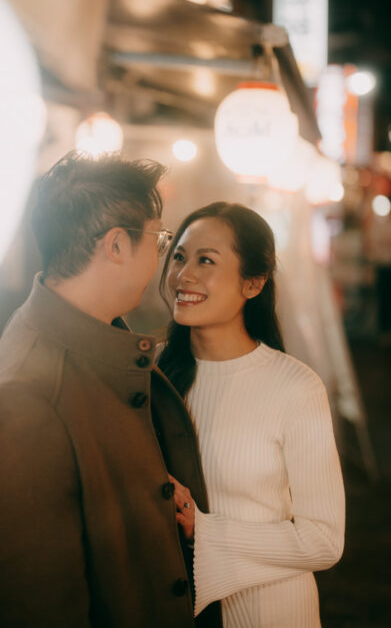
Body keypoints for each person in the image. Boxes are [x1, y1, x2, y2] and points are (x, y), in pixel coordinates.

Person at [0, 152, 222, 628]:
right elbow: (33, 605)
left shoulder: (82, 335)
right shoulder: (24, 400)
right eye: (160, 239)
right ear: (117, 245)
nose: (161, 257)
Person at [158, 201, 345, 628]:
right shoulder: (154, 376)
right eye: (180, 257)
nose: (184, 276)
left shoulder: (294, 387)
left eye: (206, 260)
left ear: (253, 284)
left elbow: (324, 540)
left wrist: (204, 533)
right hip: (173, 606)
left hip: (271, 612)